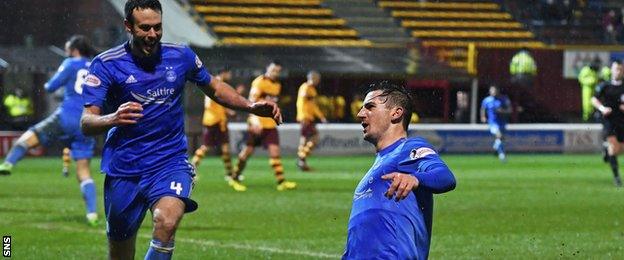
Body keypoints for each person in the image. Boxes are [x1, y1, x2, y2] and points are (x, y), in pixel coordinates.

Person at [80, 1, 282, 259]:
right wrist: (113, 118)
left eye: (157, 27)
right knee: (120, 251)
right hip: (125, 166)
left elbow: (215, 88)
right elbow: (87, 123)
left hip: (169, 161)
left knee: (166, 222)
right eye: (145, 28)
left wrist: (250, 106)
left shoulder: (181, 56)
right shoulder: (106, 64)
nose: (152, 34)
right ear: (128, 27)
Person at [343, 81, 456, 259]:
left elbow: (445, 176)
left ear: (396, 113)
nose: (360, 114)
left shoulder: (409, 147)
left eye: (370, 107)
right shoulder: (377, 166)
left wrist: (415, 178)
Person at [0, 35, 99, 226]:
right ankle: (92, 214)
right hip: (87, 121)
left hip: (66, 115)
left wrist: (54, 87)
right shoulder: (96, 65)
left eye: (67, 48)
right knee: (84, 172)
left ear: (74, 49)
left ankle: (8, 164)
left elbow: (50, 86)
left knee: (27, 138)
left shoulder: (70, 63)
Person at [231, 61, 296, 191]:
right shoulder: (259, 82)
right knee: (246, 153)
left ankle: (281, 182)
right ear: (268, 69)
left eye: (277, 71)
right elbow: (251, 103)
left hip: (270, 124)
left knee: (275, 152)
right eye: (273, 70)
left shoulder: (277, 85)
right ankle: (235, 177)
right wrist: (254, 121)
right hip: (257, 123)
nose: (275, 73)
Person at [190, 68, 241, 190]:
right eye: (229, 73)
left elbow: (219, 103)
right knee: (206, 147)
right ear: (224, 73)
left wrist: (228, 111)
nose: (230, 75)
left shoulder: (220, 84)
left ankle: (230, 174)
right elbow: (211, 102)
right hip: (213, 121)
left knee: (225, 148)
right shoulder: (215, 84)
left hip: (219, 121)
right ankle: (190, 171)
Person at [591, 60, 624, 187]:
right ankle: (617, 178)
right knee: (613, 147)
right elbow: (594, 99)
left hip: (622, 120)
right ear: (611, 70)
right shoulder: (605, 86)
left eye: (620, 69)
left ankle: (606, 151)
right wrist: (602, 109)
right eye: (616, 69)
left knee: (618, 149)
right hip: (609, 120)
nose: (618, 71)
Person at [295, 71, 327, 171]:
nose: (318, 81)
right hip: (306, 117)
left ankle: (302, 162)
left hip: (307, 117)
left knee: (304, 139)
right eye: (317, 79)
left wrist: (321, 116)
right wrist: (303, 116)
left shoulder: (312, 90)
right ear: (312, 78)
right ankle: (302, 156)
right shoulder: (305, 87)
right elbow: (301, 102)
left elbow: (313, 106)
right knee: (315, 137)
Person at [480, 85, 511, 161]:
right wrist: (483, 117)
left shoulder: (503, 99)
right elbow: (483, 108)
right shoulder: (487, 100)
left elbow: (509, 110)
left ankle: (495, 147)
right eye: (491, 90)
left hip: (502, 122)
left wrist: (502, 111)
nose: (493, 92)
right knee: (499, 136)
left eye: (494, 90)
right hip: (493, 122)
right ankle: (501, 155)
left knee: (501, 138)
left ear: (498, 91)